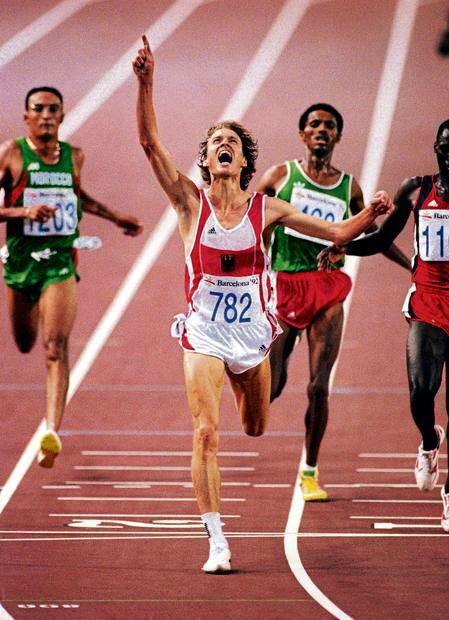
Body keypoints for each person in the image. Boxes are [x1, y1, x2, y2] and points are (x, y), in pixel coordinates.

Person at [132, 36, 393, 572]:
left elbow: (338, 229)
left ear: (245, 160)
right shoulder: (188, 202)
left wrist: (375, 215)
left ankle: (255, 404)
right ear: (205, 160)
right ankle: (217, 540)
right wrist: (146, 83)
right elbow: (149, 145)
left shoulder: (267, 209)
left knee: (254, 426)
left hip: (252, 336)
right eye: (215, 141)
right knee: (206, 432)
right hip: (203, 333)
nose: (223, 144)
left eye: (233, 141)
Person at [255, 104, 411, 502]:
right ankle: (264, 384)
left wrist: (412, 265)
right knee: (272, 386)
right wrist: (256, 267)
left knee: (319, 385)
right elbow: (251, 217)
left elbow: (372, 234)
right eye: (314, 124)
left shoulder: (349, 188)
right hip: (285, 285)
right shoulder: (280, 175)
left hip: (327, 289)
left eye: (329, 126)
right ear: (302, 134)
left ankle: (309, 470)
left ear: (338, 137)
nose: (321, 130)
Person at [319, 117, 449, 533]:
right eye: (446, 147)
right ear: (435, 147)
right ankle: (427, 441)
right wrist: (342, 247)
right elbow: (384, 240)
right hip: (428, 300)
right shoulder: (416, 189)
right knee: (422, 390)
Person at [0, 86, 143, 468]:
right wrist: (21, 214)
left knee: (55, 347)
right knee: (26, 342)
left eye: (53, 110)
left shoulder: (75, 157)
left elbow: (79, 198)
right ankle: (51, 424)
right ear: (26, 116)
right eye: (38, 109)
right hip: (20, 265)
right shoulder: (11, 154)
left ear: (62, 116)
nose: (46, 116)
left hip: (60, 262)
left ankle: (51, 430)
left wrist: (115, 216)